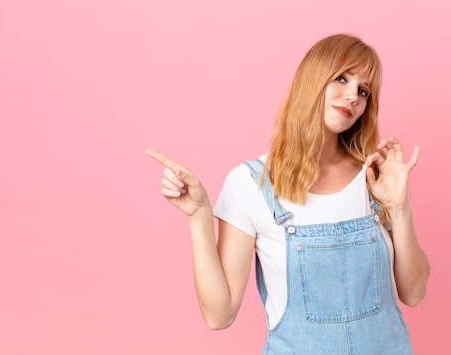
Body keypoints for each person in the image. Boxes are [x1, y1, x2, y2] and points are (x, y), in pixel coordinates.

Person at [146, 33, 430, 354]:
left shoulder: (375, 178)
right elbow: (219, 314)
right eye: (342, 78)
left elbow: (415, 291)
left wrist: (399, 208)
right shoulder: (251, 184)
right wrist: (199, 216)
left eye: (363, 91)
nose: (353, 96)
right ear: (312, 79)